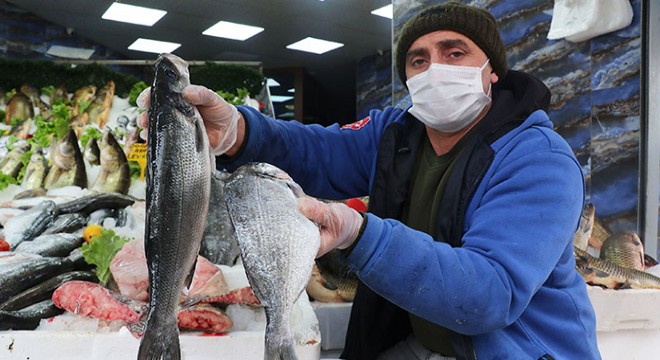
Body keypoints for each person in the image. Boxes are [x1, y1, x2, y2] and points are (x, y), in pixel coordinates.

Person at [138, 2, 601, 359]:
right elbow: (317, 152)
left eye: (454, 52)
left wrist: (359, 234)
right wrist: (237, 131)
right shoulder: (398, 134)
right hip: (420, 339)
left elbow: (487, 295)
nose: (434, 68)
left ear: (492, 71)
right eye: (418, 60)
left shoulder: (538, 160)